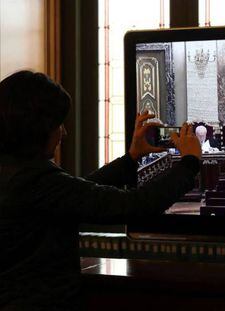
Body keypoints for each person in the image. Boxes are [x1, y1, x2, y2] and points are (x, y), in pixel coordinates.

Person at [0, 70, 201, 310]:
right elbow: (134, 205)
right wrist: (189, 163)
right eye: (57, 124)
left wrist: (131, 158)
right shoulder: (35, 179)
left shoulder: (17, 172)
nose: (63, 132)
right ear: (38, 128)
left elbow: (76, 192)